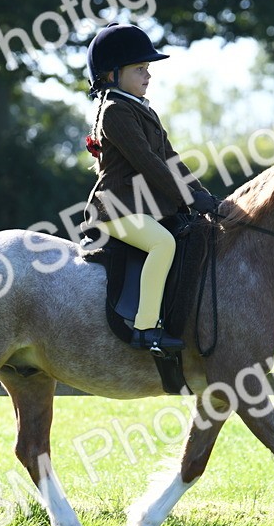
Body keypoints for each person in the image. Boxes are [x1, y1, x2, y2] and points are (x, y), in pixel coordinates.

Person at [82, 23, 219, 353]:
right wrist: (187, 198)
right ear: (112, 74)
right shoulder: (114, 112)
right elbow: (149, 164)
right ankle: (145, 329)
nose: (148, 76)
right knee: (163, 244)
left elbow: (171, 159)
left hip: (141, 207)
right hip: (116, 208)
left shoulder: (142, 109)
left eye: (147, 69)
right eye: (140, 69)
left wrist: (205, 196)